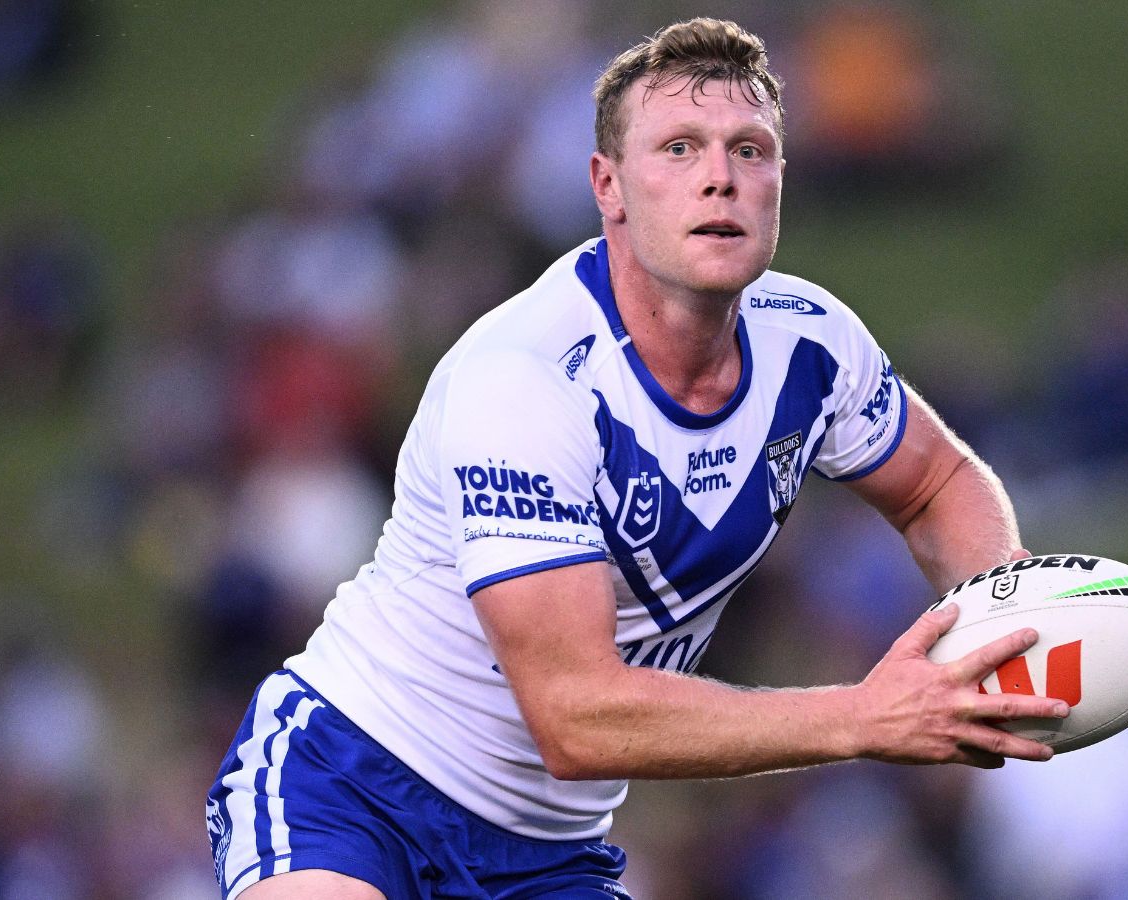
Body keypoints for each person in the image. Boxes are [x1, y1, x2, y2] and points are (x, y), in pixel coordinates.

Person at [207, 17, 1067, 900]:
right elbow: (574, 718)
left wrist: (1011, 614)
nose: (720, 177)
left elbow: (937, 482)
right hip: (351, 784)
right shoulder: (525, 380)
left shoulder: (812, 345)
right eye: (679, 148)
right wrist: (861, 717)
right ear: (607, 186)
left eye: (751, 149)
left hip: (548, 852)